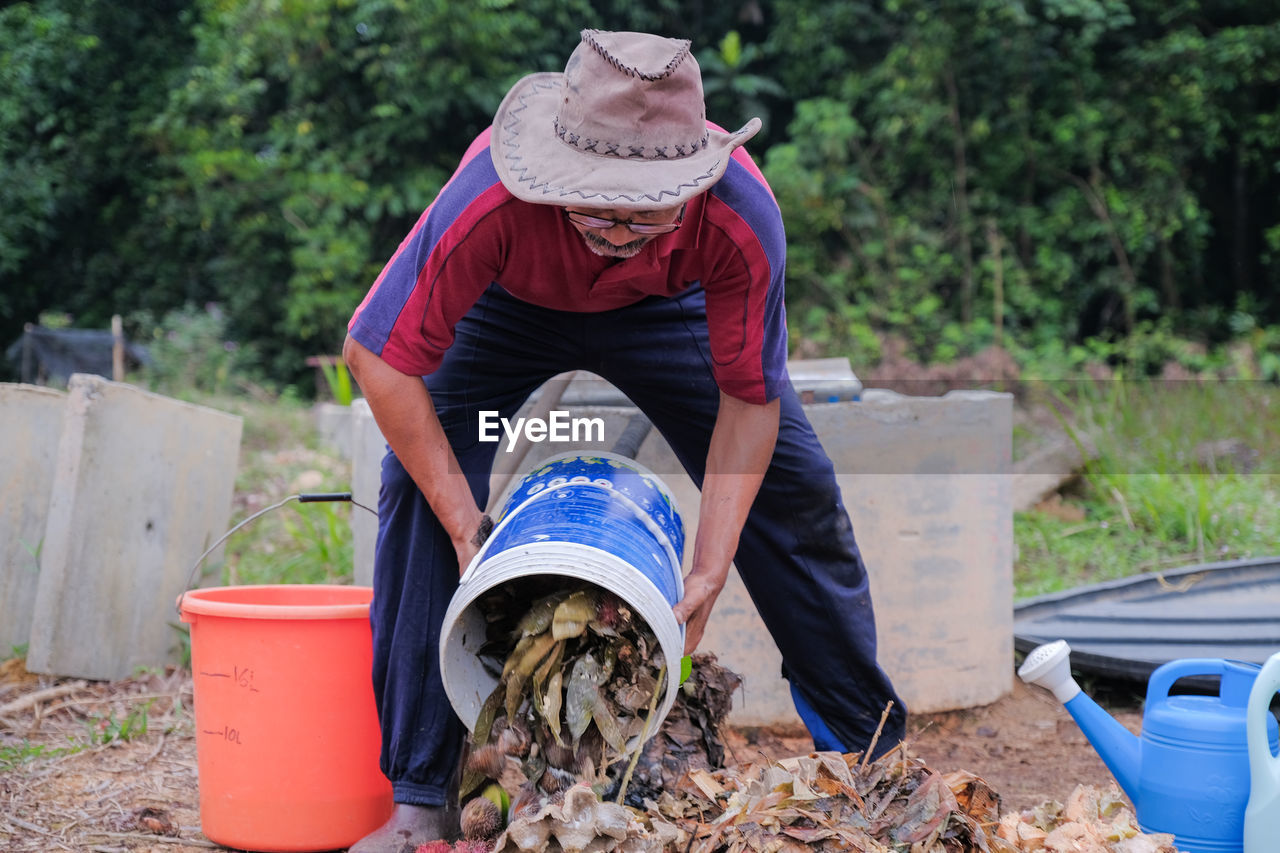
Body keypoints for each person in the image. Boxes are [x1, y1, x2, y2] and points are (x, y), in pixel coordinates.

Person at [343, 29, 907, 852]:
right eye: (598, 206)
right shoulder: (492, 198)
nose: (617, 229)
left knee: (795, 494)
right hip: (510, 307)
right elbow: (378, 356)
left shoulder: (742, 215)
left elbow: (750, 400)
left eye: (647, 210)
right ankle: (420, 796)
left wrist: (710, 565)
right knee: (419, 492)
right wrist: (467, 524)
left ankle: (868, 763)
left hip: (664, 310)